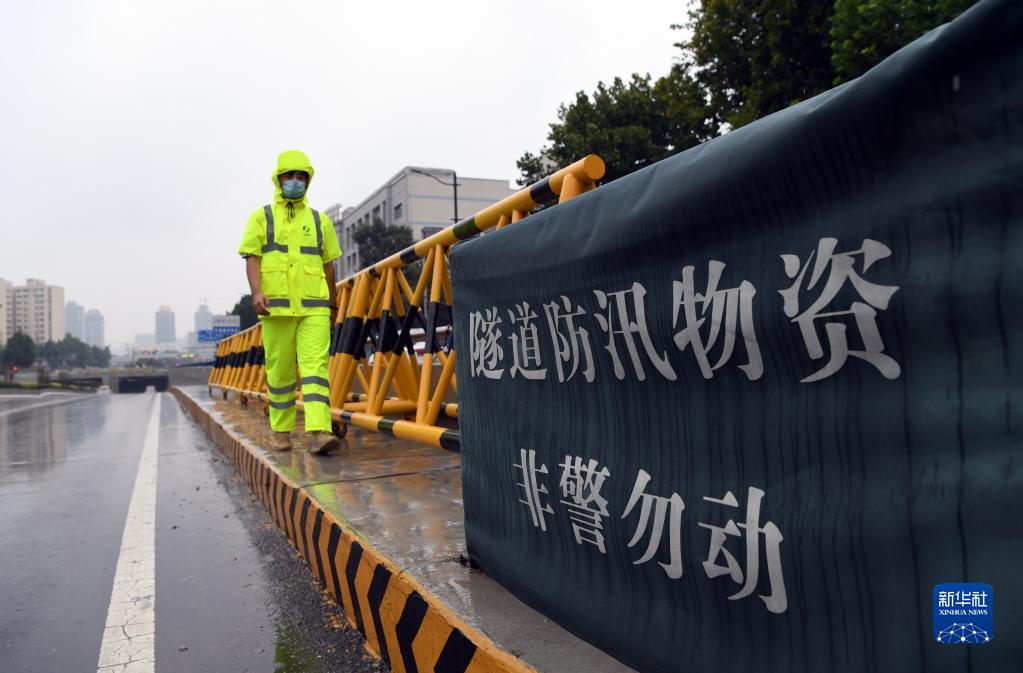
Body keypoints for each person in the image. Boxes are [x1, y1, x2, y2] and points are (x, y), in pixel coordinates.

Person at [238, 150, 343, 453]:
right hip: (276, 308)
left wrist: (333, 306)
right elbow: (251, 257)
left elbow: (329, 266)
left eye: (302, 176)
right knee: (280, 372)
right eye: (290, 176)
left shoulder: (320, 221)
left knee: (315, 369)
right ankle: (280, 432)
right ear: (278, 178)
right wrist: (256, 293)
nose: (296, 182)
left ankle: (319, 432)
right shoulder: (262, 217)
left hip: (314, 308)